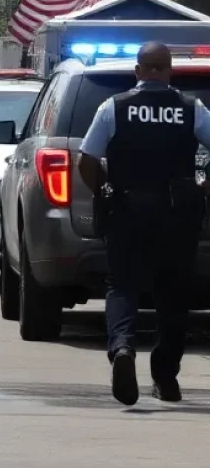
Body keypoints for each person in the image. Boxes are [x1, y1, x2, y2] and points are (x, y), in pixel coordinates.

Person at [79, 41, 210, 407]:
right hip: (177, 214)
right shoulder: (191, 108)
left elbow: (87, 159)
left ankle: (122, 349)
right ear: (169, 71)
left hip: (126, 210)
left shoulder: (114, 107)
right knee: (173, 294)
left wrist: (104, 190)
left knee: (122, 286)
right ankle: (166, 379)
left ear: (138, 71)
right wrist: (204, 183)